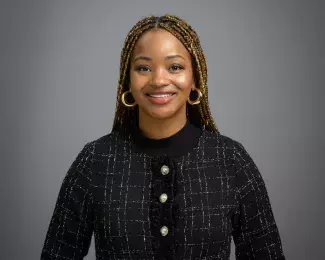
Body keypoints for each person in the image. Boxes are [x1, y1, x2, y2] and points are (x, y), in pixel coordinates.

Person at [41, 14, 285, 260]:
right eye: (143, 68)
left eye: (175, 67)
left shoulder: (231, 161)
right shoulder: (95, 161)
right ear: (128, 80)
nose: (158, 80)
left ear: (194, 79)